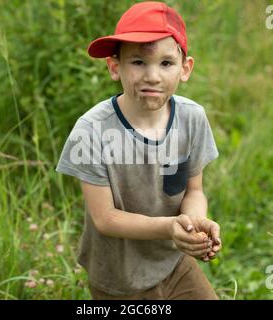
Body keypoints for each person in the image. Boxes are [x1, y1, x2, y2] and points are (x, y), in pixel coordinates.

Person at [56, 1, 221, 300]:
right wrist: (171, 228)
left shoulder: (191, 118)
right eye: (138, 62)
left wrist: (194, 224)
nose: (153, 76)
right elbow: (105, 219)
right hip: (119, 279)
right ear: (115, 67)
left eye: (166, 63)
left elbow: (194, 191)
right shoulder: (92, 130)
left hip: (175, 265)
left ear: (186, 69)